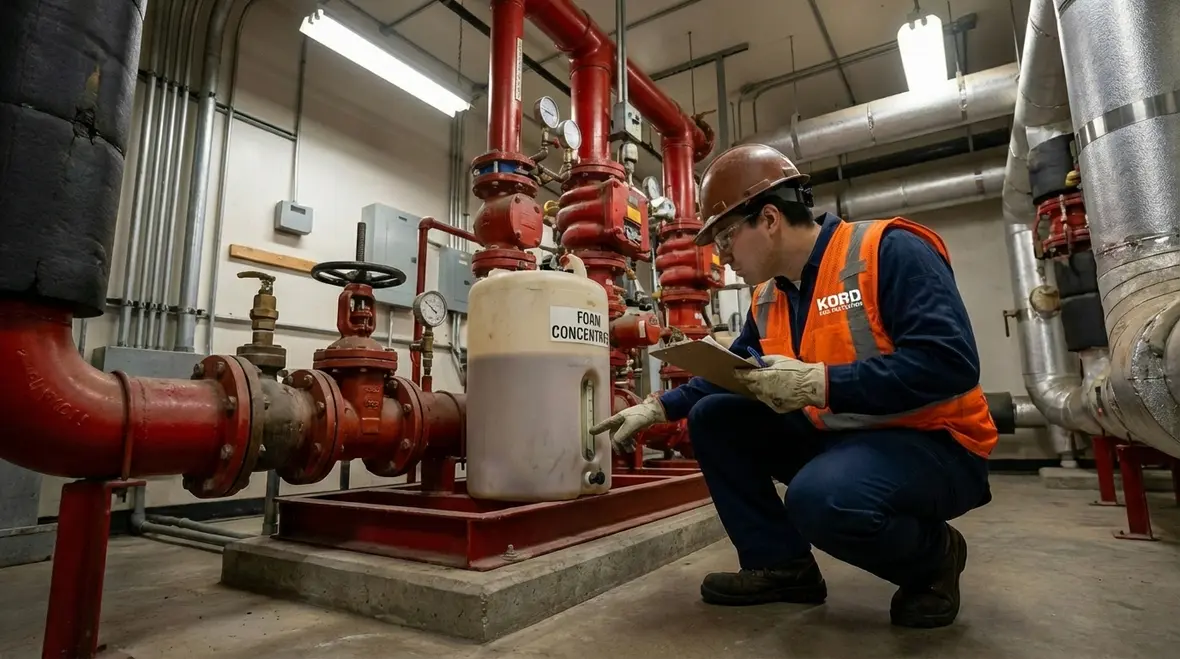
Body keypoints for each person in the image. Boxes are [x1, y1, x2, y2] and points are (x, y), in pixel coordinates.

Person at [589, 143, 995, 628]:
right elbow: (732, 369)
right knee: (714, 417)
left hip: (938, 443)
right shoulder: (769, 296)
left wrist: (821, 384)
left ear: (769, 219)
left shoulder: (887, 251)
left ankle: (935, 559)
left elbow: (951, 363)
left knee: (820, 499)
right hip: (849, 437)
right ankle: (782, 566)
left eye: (725, 239)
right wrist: (659, 407)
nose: (722, 257)